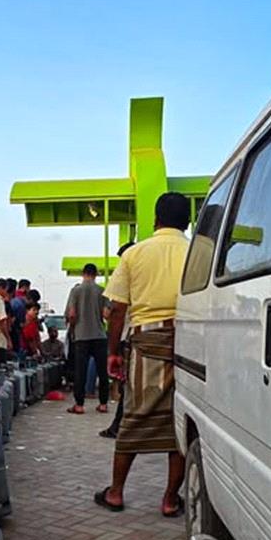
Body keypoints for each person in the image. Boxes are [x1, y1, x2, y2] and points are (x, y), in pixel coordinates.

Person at [94, 192, 189, 517]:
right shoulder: (200, 253)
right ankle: (169, 499)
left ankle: (117, 492)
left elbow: (117, 309)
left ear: (155, 220)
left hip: (146, 342)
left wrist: (113, 352)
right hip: (192, 342)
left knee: (134, 416)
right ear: (188, 221)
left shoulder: (134, 254)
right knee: (181, 424)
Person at [99, 243, 134, 440]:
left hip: (126, 337)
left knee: (126, 385)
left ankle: (119, 426)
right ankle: (119, 424)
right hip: (141, 334)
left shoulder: (126, 274)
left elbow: (114, 312)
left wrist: (112, 352)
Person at [65, 263, 110, 416]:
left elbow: (71, 314)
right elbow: (106, 314)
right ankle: (103, 404)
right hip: (99, 335)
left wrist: (73, 327)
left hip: (82, 336)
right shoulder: (102, 291)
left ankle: (79, 405)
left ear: (83, 274)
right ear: (96, 274)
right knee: (102, 371)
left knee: (80, 371)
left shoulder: (75, 291)